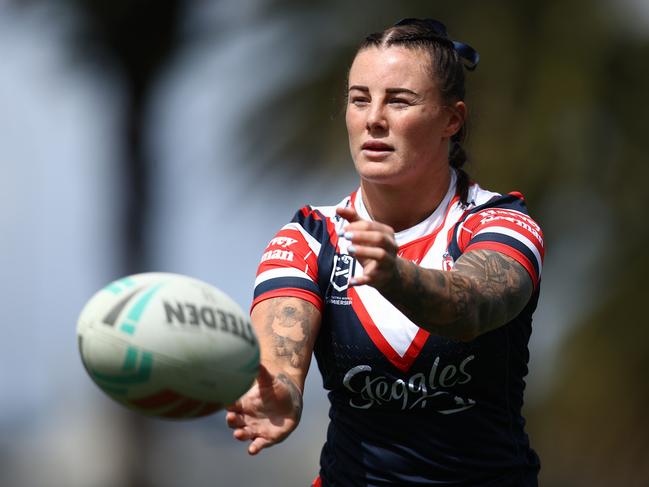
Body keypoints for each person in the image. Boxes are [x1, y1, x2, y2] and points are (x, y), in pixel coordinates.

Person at [226, 18, 544, 487]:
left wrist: (395, 274)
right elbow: (280, 361)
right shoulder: (309, 237)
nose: (374, 117)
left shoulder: (500, 223)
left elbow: (472, 305)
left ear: (451, 120)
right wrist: (282, 395)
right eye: (360, 99)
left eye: (399, 101)